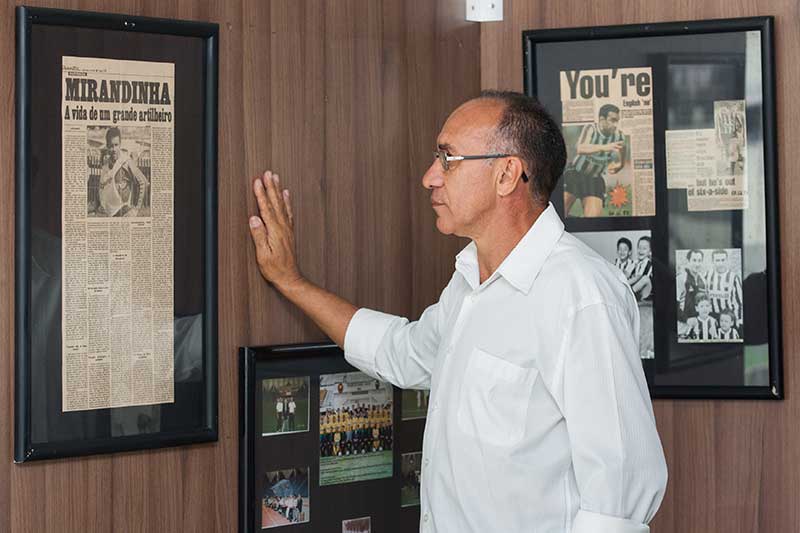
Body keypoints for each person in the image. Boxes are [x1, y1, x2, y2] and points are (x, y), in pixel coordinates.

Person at [247, 90, 667, 532]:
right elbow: (400, 352)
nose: (430, 176)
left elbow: (618, 498)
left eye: (448, 159)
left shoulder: (582, 293)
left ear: (507, 174)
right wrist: (291, 282)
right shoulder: (468, 282)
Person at [563, 103, 626, 217]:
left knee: (593, 219)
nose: (615, 124)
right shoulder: (591, 128)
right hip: (575, 173)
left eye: (617, 121)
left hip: (594, 179)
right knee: (560, 215)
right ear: (602, 119)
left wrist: (621, 164)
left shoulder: (618, 136)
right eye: (612, 120)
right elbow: (580, 148)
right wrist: (604, 147)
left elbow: (622, 147)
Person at [96, 127, 149, 217]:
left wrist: (136, 209)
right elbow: (102, 185)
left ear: (120, 144)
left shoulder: (126, 161)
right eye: (111, 146)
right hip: (108, 212)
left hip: (123, 211)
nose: (114, 149)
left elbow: (144, 182)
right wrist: (101, 203)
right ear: (107, 146)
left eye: (116, 145)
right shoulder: (106, 163)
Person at [705, 249, 743, 328]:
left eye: (723, 260)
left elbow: (739, 302)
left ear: (726, 261)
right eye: (717, 260)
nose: (720, 263)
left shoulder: (734, 277)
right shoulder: (708, 274)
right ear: (713, 261)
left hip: (728, 316)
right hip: (712, 315)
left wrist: (738, 319)